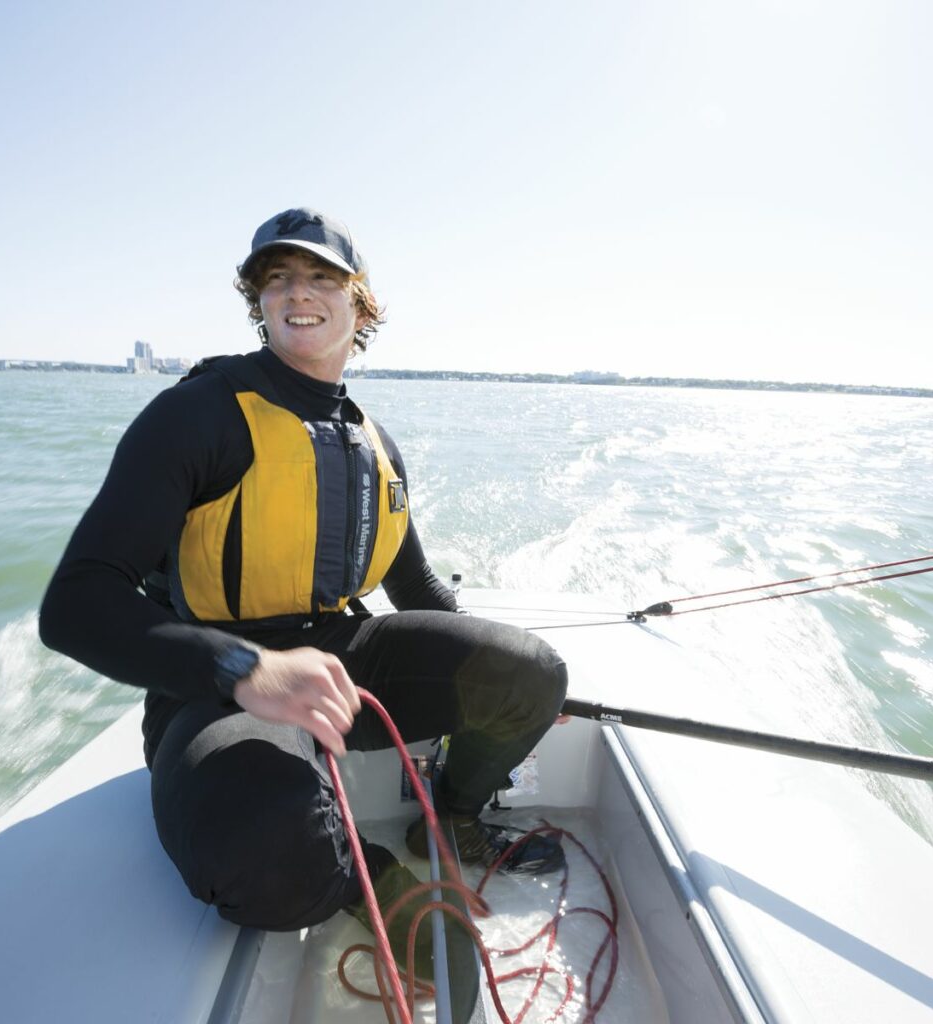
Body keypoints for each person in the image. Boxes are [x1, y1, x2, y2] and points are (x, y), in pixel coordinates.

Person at [38, 207, 568, 1003]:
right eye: (277, 278)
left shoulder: (371, 441)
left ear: (361, 302)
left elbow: (418, 592)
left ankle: (450, 814)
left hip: (337, 661)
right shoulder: (198, 414)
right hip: (214, 685)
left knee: (529, 674)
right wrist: (242, 668)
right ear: (258, 301)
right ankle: (368, 874)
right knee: (262, 856)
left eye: (322, 276)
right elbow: (75, 604)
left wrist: (508, 696)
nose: (297, 293)